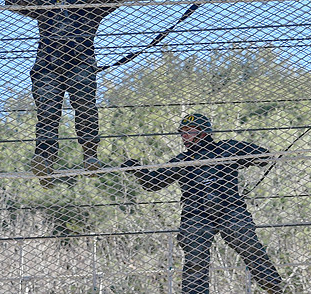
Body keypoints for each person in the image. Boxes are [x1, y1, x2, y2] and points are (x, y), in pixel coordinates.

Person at [121, 114, 283, 294]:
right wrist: (137, 170)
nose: (184, 137)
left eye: (189, 132)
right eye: (182, 133)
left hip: (230, 207)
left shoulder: (228, 149)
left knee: (246, 241)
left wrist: (249, 156)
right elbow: (153, 183)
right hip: (196, 213)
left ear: (204, 132)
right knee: (195, 256)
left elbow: (263, 157)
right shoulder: (182, 161)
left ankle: (273, 287)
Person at [6, 0, 126, 186]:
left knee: (84, 107)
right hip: (47, 66)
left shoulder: (89, 1)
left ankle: (90, 155)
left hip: (80, 62)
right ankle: (45, 160)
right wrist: (48, 0)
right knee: (48, 113)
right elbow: (13, 0)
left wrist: (80, 0)